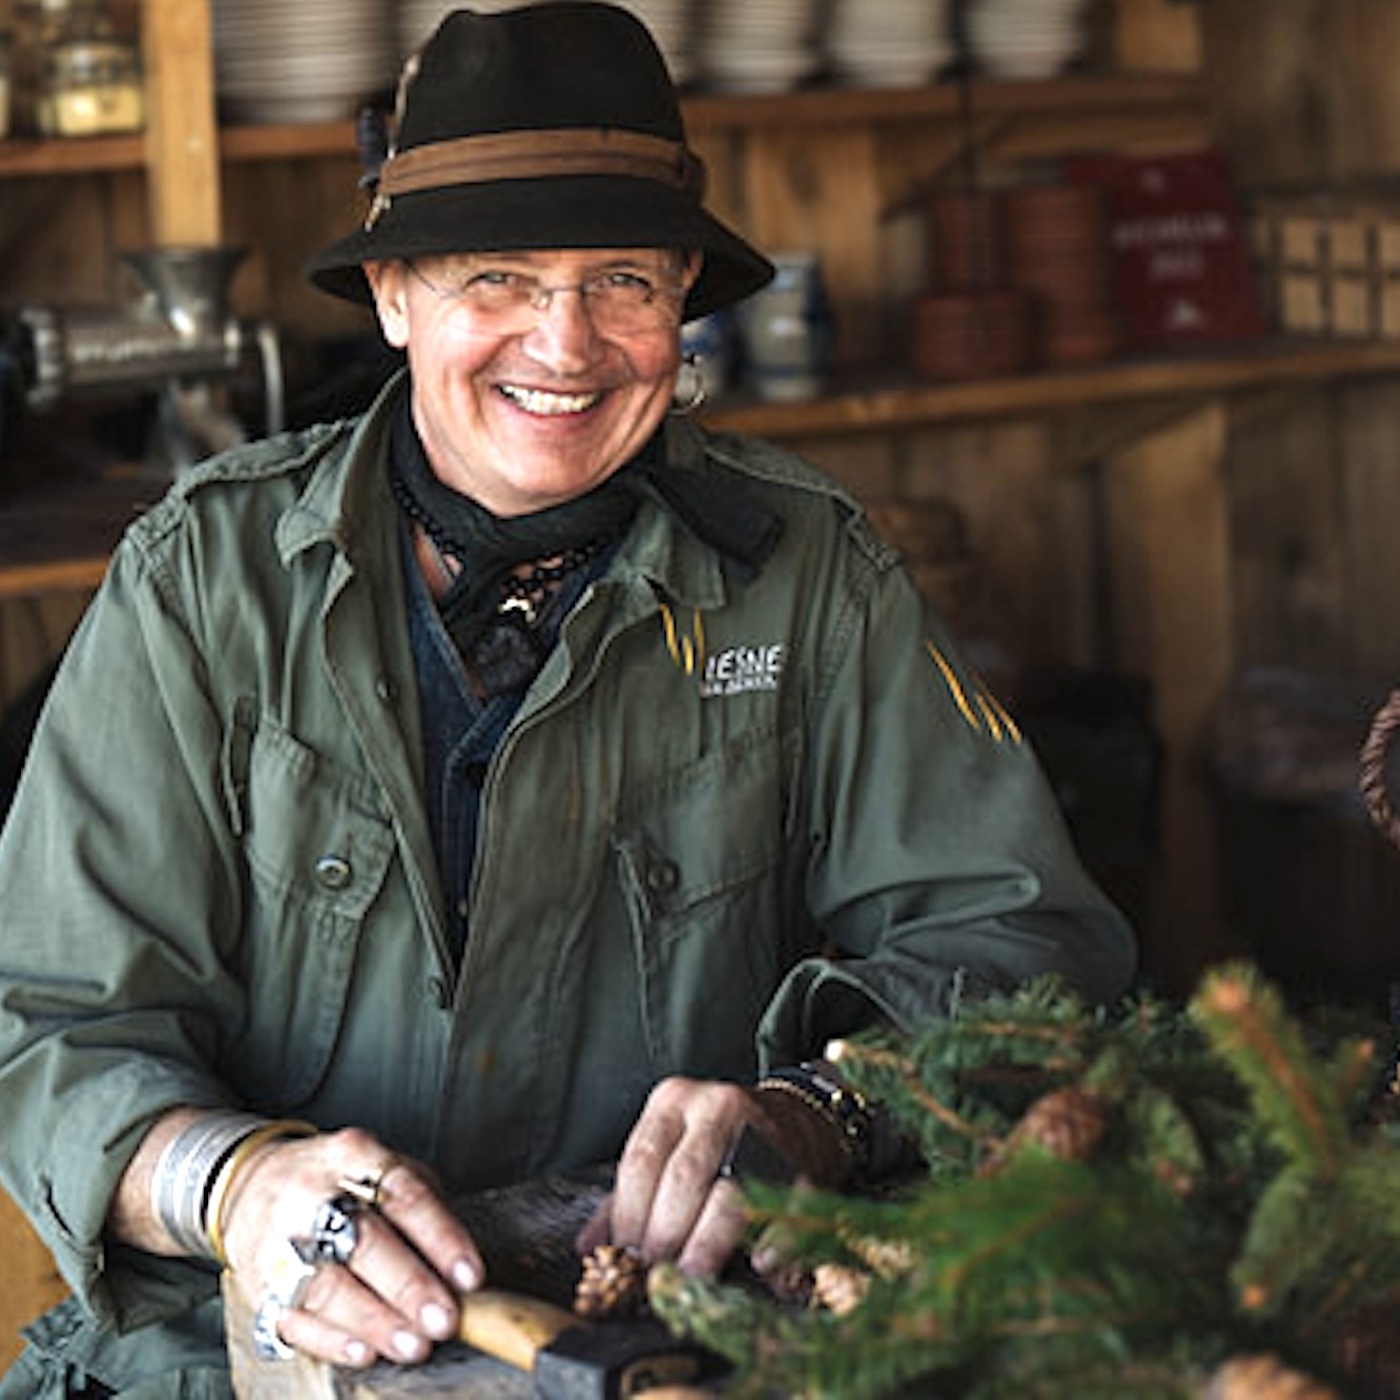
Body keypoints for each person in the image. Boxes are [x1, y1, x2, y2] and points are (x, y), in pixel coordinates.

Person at [0, 3, 1137, 1393]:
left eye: (622, 281)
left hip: (677, 1343)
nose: (567, 342)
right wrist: (238, 1189)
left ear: (679, 301)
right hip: (246, 1357)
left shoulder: (809, 574)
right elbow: (47, 1021)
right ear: (394, 296)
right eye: (496, 278)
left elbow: (1025, 946)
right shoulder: (206, 581)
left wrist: (817, 1115)